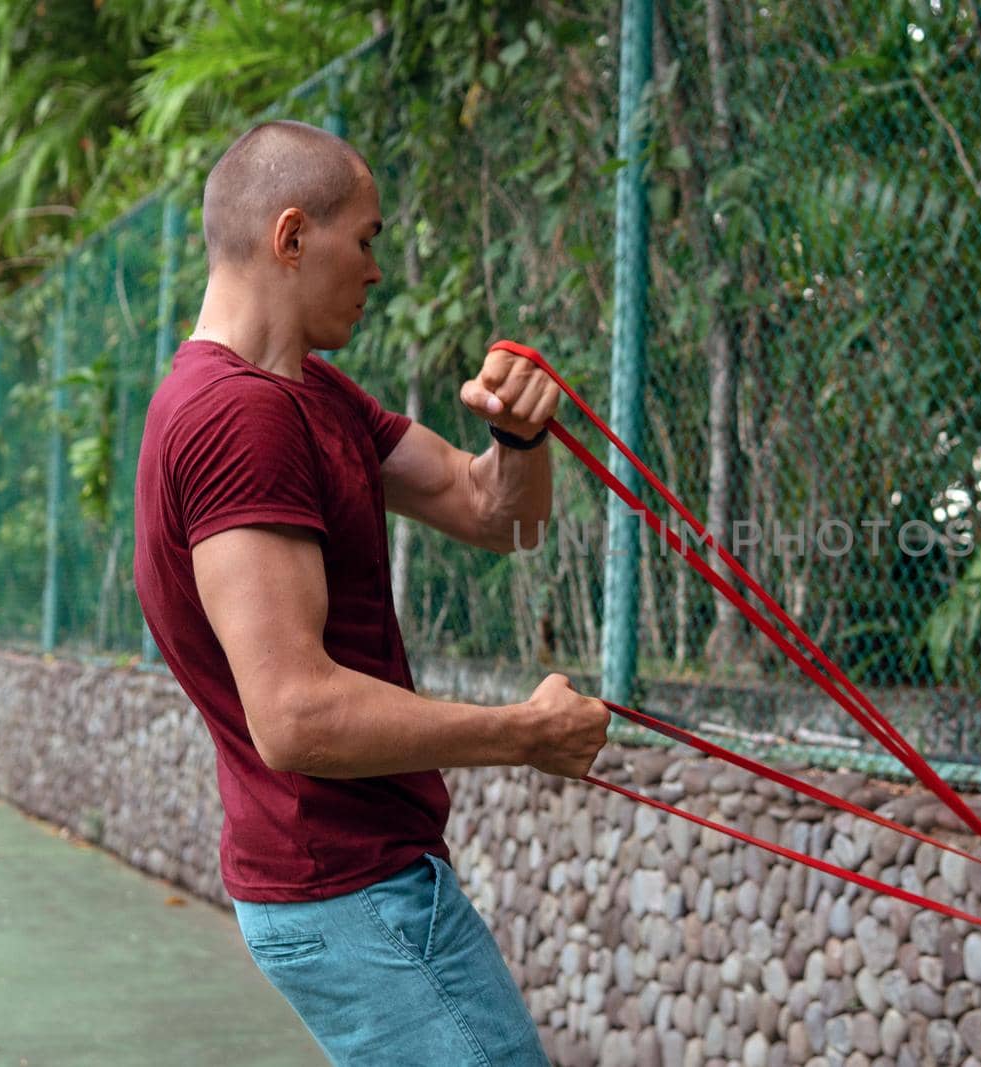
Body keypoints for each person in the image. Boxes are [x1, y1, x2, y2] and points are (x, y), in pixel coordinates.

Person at [133, 119, 609, 1065]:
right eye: (369, 239)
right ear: (293, 236)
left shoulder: (307, 392)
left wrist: (519, 439)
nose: (378, 270)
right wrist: (522, 734)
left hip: (356, 885)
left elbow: (496, 517)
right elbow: (296, 716)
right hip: (352, 892)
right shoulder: (241, 416)